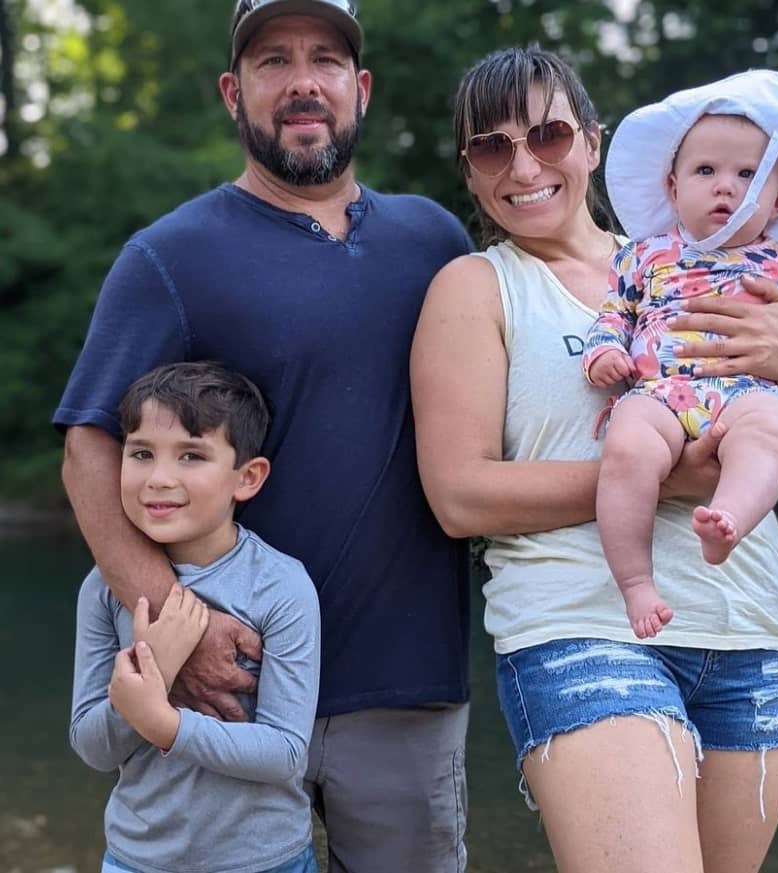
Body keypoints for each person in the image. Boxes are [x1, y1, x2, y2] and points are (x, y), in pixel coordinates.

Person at [411, 45, 778, 873]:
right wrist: (657, 478)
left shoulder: (701, 256)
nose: (524, 164)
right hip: (582, 625)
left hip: (752, 628)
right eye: (491, 147)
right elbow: (460, 497)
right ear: (470, 173)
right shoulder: (476, 287)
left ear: (594, 143)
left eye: (547, 135)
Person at [54, 2, 473, 870]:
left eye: (324, 59)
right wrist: (183, 625)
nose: (302, 82)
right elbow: (90, 449)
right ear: (232, 93)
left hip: (403, 682)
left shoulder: (436, 243)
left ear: (360, 89)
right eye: (273, 60)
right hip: (227, 689)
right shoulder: (169, 257)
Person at [581, 71, 778, 639]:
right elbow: (615, 313)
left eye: (748, 175)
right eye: (706, 171)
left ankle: (730, 521)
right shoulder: (644, 256)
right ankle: (636, 583)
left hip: (750, 391)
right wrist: (602, 354)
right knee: (626, 448)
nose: (726, 188)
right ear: (672, 188)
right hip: (661, 391)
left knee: (769, 431)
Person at [70, 361, 321, 873]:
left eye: (191, 455)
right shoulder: (103, 586)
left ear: (247, 478)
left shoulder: (281, 586)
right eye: (141, 453)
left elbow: (285, 753)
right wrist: (151, 675)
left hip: (264, 861)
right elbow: (92, 747)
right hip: (136, 859)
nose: (159, 478)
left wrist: (164, 723)